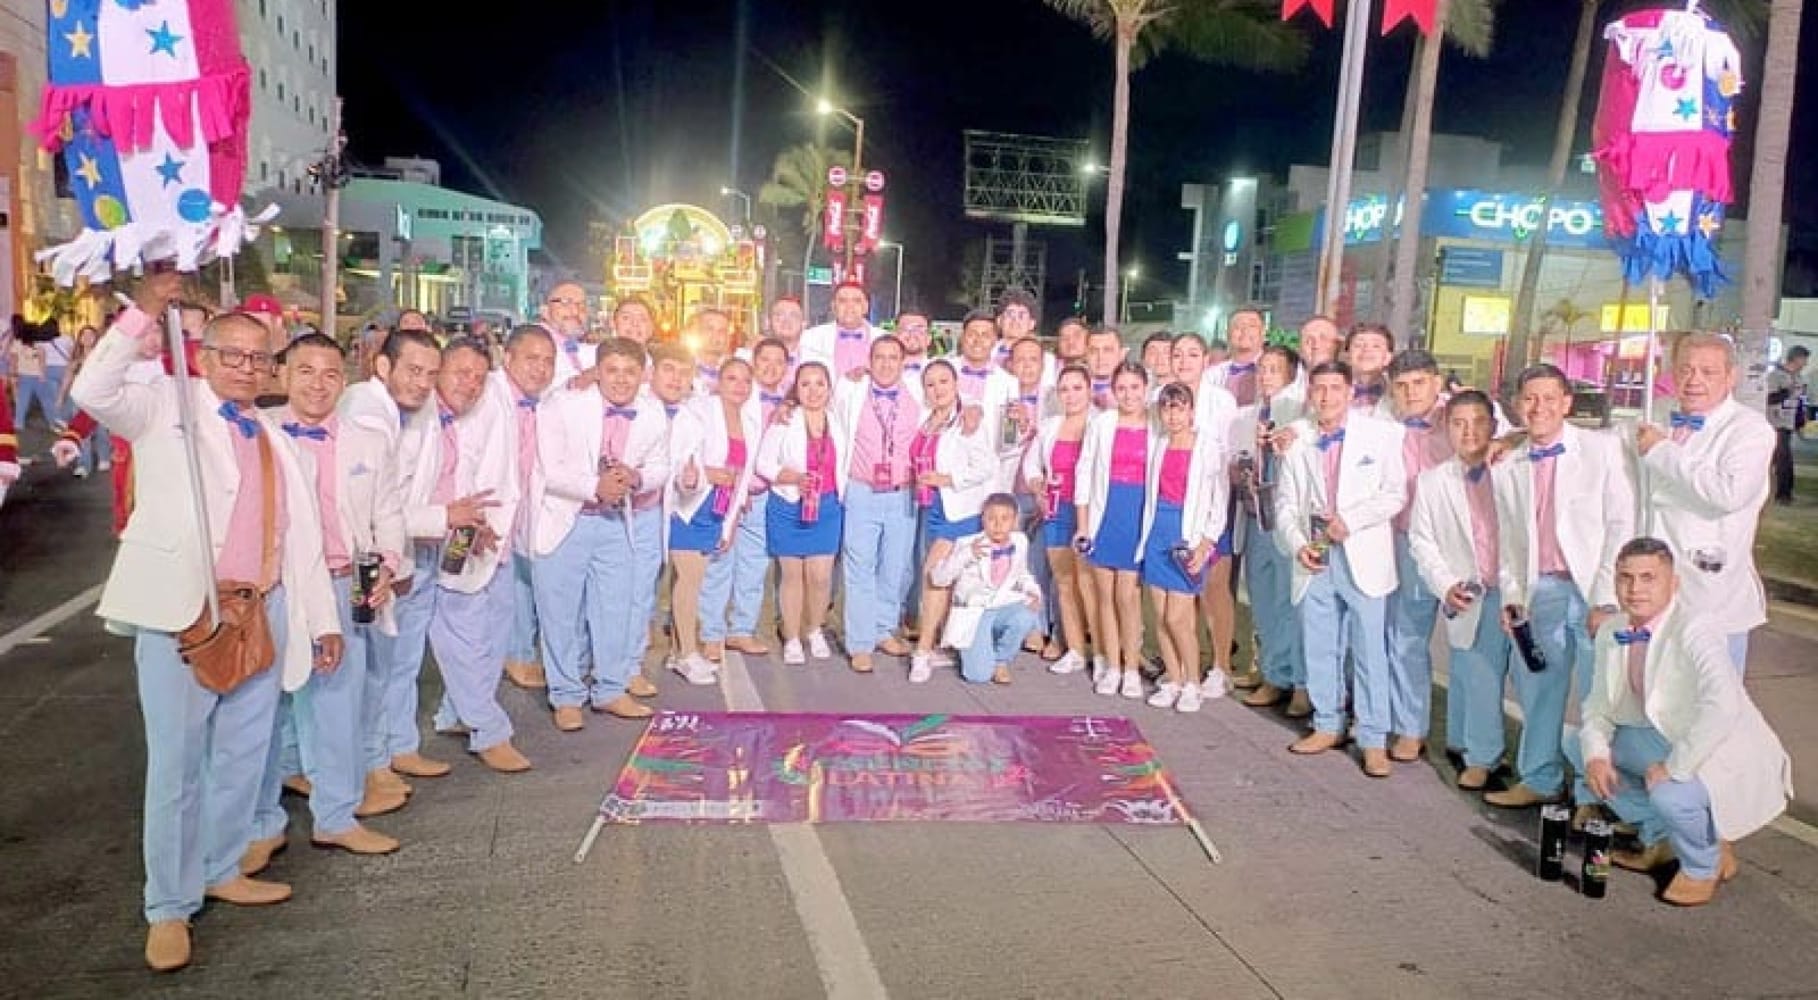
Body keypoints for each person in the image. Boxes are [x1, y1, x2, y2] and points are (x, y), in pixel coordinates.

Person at [73, 274, 342, 972]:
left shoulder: (275, 435)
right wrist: (146, 313)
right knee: (177, 766)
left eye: (260, 359)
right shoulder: (165, 404)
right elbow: (92, 391)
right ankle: (168, 905)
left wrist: (318, 621)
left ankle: (222, 867)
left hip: (265, 608)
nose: (248, 369)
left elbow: (299, 535)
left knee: (242, 760)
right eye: (234, 356)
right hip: (185, 613)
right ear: (202, 354)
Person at [250, 333, 404, 868]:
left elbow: (388, 512)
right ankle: (257, 825)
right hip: (276, 588)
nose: (319, 384)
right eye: (306, 371)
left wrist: (387, 564)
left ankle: (336, 816)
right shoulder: (259, 436)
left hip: (347, 583)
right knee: (261, 710)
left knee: (340, 704)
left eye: (331, 373)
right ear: (283, 375)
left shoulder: (368, 439)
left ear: (346, 379)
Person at [1570, 538, 1792, 907]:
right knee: (1577, 748)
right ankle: (1661, 839)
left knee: (1670, 791)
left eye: (1648, 578)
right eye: (1626, 578)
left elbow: (1722, 706)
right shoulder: (1614, 630)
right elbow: (1598, 706)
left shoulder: (1695, 627)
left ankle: (1702, 866)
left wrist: (1675, 767)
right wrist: (1596, 755)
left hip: (1715, 746)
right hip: (1660, 735)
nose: (1635, 589)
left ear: (1673, 584)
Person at [1487, 363, 1635, 808]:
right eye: (1530, 398)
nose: (1540, 407)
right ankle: (1539, 777)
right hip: (1542, 590)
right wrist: (1514, 596)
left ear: (1567, 403)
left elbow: (1620, 523)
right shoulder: (1507, 462)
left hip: (1593, 592)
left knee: (1600, 697)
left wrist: (1608, 598)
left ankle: (1594, 794)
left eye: (1550, 398)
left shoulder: (1601, 450)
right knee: (1539, 688)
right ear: (1517, 404)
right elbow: (1509, 539)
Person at [1275, 361, 1406, 778]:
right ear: (1310, 394)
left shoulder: (1381, 436)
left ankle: (1372, 738)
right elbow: (1284, 505)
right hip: (1316, 556)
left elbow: (1394, 494)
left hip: (1362, 553)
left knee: (1370, 651)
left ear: (1350, 392)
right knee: (1320, 645)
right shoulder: (1298, 443)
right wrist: (1298, 545)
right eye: (1320, 389)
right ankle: (1326, 722)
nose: (1327, 396)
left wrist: (1352, 519)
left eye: (1335, 388)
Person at [532, 337, 670, 728]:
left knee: (615, 610)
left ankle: (610, 690)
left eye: (630, 372)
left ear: (642, 375)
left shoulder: (652, 410)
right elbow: (548, 468)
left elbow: (662, 465)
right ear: (597, 372)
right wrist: (594, 486)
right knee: (560, 613)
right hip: (567, 518)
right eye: (612, 371)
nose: (621, 380)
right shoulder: (564, 403)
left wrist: (637, 477)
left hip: (615, 522)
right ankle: (566, 696)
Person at [407, 339, 529, 773]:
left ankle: (455, 715)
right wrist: (456, 519)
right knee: (458, 635)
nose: (470, 384)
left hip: (464, 534)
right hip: (411, 546)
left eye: (478, 376)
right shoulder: (411, 417)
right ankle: (487, 729)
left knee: (482, 629)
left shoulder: (468, 412)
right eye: (460, 373)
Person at [337, 328, 442, 806]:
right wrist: (446, 518)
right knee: (359, 674)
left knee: (385, 668)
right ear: (383, 366)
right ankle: (364, 770)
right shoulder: (367, 411)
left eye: (429, 375)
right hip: (362, 562)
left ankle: (382, 755)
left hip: (386, 556)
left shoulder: (401, 413)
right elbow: (383, 505)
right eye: (413, 370)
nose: (422, 383)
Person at [1633, 333, 1774, 672]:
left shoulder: (1750, 430)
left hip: (1712, 596)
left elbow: (1729, 493)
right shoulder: (1657, 417)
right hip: (1655, 596)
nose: (1694, 380)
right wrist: (1515, 438)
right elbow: (1596, 448)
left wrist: (1662, 451)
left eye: (1707, 372)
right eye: (1686, 369)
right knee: (1655, 707)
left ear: (1731, 377)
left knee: (1713, 714)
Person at [1408, 390, 1510, 790]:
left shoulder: (1511, 468)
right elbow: (1422, 539)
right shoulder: (1433, 481)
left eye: (1479, 422)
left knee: (1498, 673)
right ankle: (1477, 754)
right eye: (1459, 423)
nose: (1469, 432)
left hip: (1512, 586)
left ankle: (1481, 749)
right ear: (1446, 428)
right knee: (1473, 668)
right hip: (1467, 588)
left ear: (1495, 426)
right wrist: (1445, 583)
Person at [667, 356, 760, 681]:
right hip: (690, 506)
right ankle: (686, 655)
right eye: (732, 379)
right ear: (719, 381)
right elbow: (680, 460)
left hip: (718, 511)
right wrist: (706, 475)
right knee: (689, 582)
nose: (739, 386)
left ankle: (680, 649)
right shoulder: (698, 411)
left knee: (693, 581)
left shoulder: (750, 422)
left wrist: (730, 522)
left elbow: (742, 478)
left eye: (745, 381)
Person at [833, 338, 922, 673]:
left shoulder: (917, 394)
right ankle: (859, 641)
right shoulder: (851, 390)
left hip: (902, 493)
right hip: (861, 490)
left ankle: (884, 628)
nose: (886, 364)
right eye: (880, 357)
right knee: (859, 566)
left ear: (903, 362)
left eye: (893, 358)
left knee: (894, 566)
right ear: (869, 361)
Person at [1139, 382, 1229, 711]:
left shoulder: (1208, 447)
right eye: (1167, 408)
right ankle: (1174, 678)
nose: (1173, 415)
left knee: (1180, 616)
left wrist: (1206, 542)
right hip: (1157, 529)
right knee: (1160, 615)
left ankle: (1193, 681)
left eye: (1179, 408)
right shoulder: (1158, 443)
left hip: (1187, 533)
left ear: (1191, 411)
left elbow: (1219, 500)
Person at [907, 360, 999, 681]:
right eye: (930, 384)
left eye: (943, 382)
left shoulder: (968, 419)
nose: (937, 389)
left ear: (956, 383)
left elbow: (986, 466)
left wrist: (947, 478)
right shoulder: (926, 420)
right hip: (931, 508)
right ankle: (943, 645)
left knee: (934, 573)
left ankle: (923, 650)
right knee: (947, 578)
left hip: (959, 511)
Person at [1383, 349, 1454, 763]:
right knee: (1405, 636)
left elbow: (1507, 433)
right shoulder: (1382, 426)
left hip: (1456, 545)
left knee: (1472, 650)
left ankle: (1476, 747)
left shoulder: (1460, 418)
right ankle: (1410, 727)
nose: (1411, 392)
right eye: (1402, 385)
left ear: (1437, 383)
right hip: (1403, 539)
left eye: (1419, 383)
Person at [1235, 346, 1310, 716]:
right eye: (1262, 369)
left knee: (1288, 601)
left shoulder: (1297, 413)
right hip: (1254, 516)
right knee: (1263, 600)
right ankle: (1271, 671)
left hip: (1285, 518)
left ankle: (1297, 680)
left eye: (1274, 369)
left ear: (1292, 375)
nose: (1265, 375)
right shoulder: (1248, 415)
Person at [756, 361, 848, 665]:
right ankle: (792, 637)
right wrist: (793, 478)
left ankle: (814, 629)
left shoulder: (838, 420)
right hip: (789, 506)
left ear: (829, 388)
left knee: (821, 577)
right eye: (805, 384)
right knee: (792, 576)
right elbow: (763, 464)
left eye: (819, 383)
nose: (813, 390)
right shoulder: (785, 419)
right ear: (797, 388)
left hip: (827, 507)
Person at [1075, 362, 1153, 698]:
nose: (1129, 395)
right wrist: (1083, 525)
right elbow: (1084, 471)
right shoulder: (1102, 423)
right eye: (1122, 388)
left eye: (1135, 387)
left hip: (1138, 512)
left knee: (1128, 596)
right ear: (1112, 391)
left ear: (1146, 389)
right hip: (1105, 513)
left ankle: (1132, 667)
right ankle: (1111, 664)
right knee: (1104, 595)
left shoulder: (1158, 425)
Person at [1169, 333, 1242, 687]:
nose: (1184, 362)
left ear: (1205, 360)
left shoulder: (1222, 400)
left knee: (1215, 586)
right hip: (1173, 505)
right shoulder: (1161, 397)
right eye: (1178, 355)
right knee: (1182, 587)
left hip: (1212, 503)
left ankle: (1222, 665)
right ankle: (1186, 664)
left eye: (1192, 355)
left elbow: (1228, 455)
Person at [493, 326, 558, 692]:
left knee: (511, 594)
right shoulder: (490, 397)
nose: (540, 369)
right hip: (484, 521)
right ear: (508, 358)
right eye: (531, 359)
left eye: (548, 361)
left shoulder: (545, 401)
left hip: (521, 516)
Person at [1024, 364, 1098, 678]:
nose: (1070, 395)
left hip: (1088, 513)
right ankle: (1075, 649)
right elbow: (1031, 466)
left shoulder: (1101, 424)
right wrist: (1038, 486)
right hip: (1057, 511)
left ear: (1090, 390)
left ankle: (1104, 652)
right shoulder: (1050, 425)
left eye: (1077, 388)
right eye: (1064, 389)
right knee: (1064, 583)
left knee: (1089, 584)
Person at [723, 338, 791, 656]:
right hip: (732, 490)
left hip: (766, 494)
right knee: (719, 561)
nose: (771, 367)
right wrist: (739, 487)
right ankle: (709, 631)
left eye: (779, 362)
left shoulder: (789, 405)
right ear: (753, 361)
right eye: (765, 360)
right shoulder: (735, 395)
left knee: (754, 565)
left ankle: (741, 629)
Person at [932, 493, 1044, 684]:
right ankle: (973, 649)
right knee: (978, 676)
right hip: (975, 613)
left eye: (1004, 519)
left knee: (1027, 615)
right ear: (983, 519)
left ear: (1014, 521)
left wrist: (1032, 590)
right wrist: (966, 555)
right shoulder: (968, 543)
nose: (998, 525)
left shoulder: (1019, 541)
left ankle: (1001, 660)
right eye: (992, 518)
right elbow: (939, 579)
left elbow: (1022, 573)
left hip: (1002, 605)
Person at [55, 325, 112, 478]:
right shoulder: (76, 360)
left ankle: (104, 456)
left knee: (101, 431)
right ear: (79, 339)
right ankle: (83, 464)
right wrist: (61, 397)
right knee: (82, 433)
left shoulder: (102, 357)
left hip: (99, 398)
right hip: (78, 400)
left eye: (91, 335)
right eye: (84, 335)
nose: (87, 338)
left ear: (96, 338)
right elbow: (67, 378)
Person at [801, 282, 878, 378]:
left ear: (866, 307)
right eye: (843, 301)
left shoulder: (884, 338)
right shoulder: (810, 337)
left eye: (856, 301)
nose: (850, 306)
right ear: (833, 307)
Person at [1766, 345, 1808, 504]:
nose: (1805, 363)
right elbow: (1769, 399)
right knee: (1784, 459)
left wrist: (1800, 422)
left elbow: (1799, 402)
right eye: (1804, 359)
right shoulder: (1776, 376)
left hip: (1788, 423)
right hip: (1775, 422)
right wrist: (1787, 391)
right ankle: (1783, 494)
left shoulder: (1799, 378)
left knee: (1779, 459)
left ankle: (1783, 493)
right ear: (1796, 358)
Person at [1208, 306, 1267, 407]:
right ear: (1227, 334)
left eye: (1252, 326)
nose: (1245, 331)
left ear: (1263, 333)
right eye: (1237, 326)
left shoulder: (1283, 370)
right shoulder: (1211, 375)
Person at [542, 282, 598, 385]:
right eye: (566, 303)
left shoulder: (581, 348)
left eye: (582, 306)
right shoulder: (531, 344)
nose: (575, 312)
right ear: (545, 310)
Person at [1344, 323, 1394, 416]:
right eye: (1358, 345)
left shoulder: (1398, 391)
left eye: (1376, 346)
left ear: (1388, 357)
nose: (1366, 349)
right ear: (1347, 356)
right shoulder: (1331, 389)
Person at [1084, 326, 1125, 409]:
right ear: (1085, 355)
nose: (1100, 357)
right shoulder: (1068, 388)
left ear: (1121, 354)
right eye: (1093, 351)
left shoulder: (1138, 390)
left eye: (1108, 350)